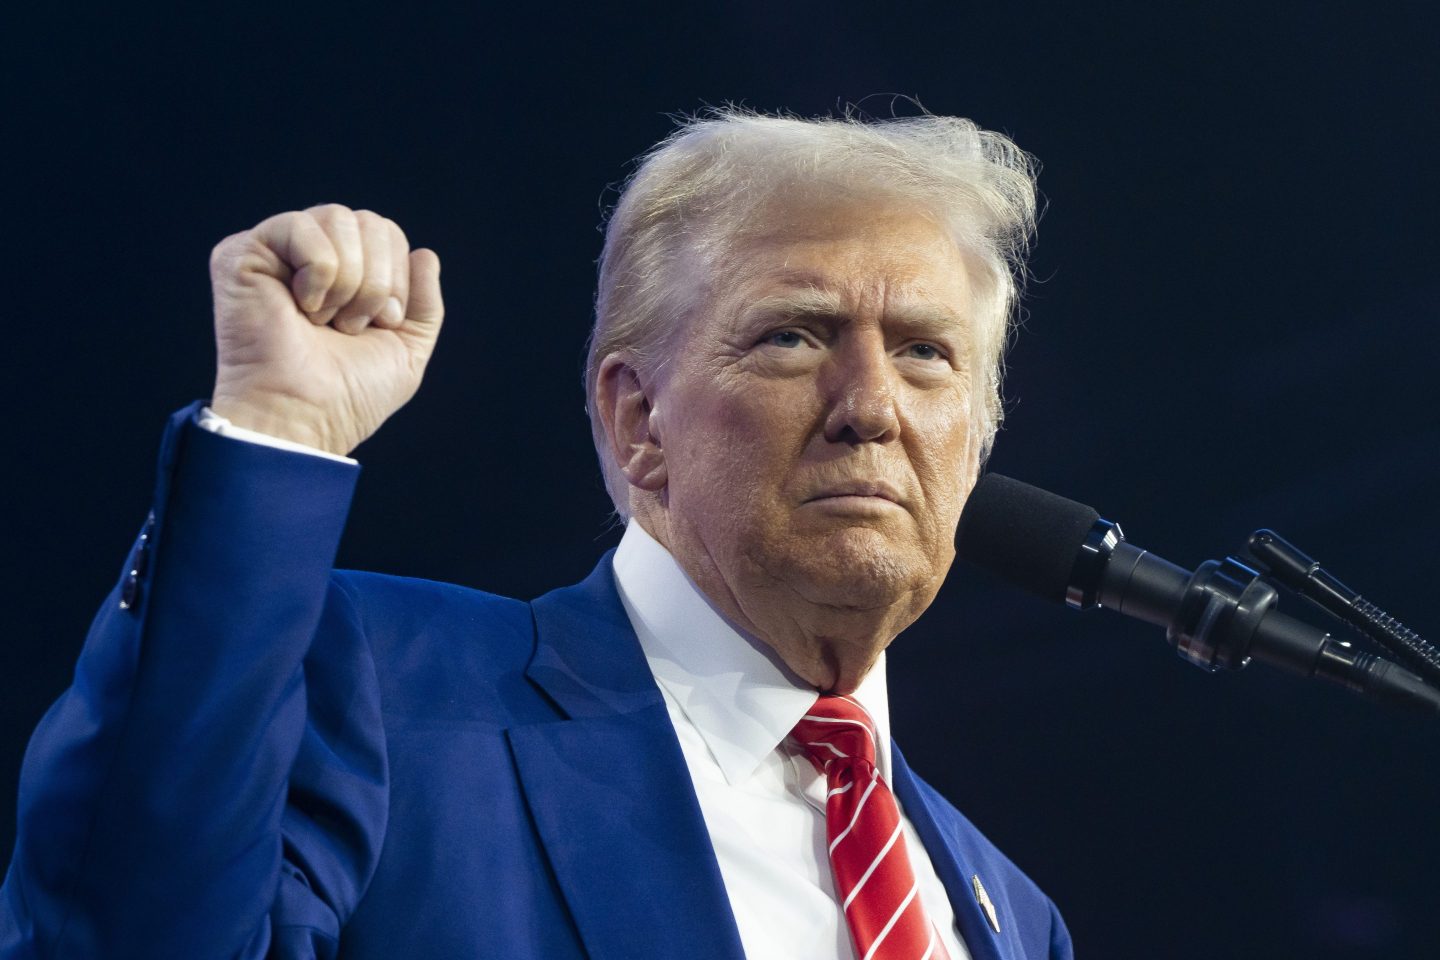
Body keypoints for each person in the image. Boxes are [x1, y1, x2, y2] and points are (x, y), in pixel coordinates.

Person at [0, 109, 1071, 959]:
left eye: (927, 353)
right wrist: (273, 433)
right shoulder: (381, 684)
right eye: (794, 336)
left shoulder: (1011, 913)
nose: (871, 406)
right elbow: (129, 930)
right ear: (637, 419)